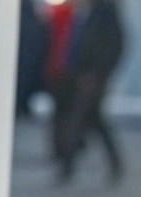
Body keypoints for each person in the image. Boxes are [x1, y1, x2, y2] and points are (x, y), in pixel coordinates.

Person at [53, 0, 125, 185]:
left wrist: (98, 74)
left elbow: (113, 47)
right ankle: (114, 163)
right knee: (95, 121)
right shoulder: (88, 12)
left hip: (91, 78)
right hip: (79, 76)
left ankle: (67, 166)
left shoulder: (105, 13)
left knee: (75, 120)